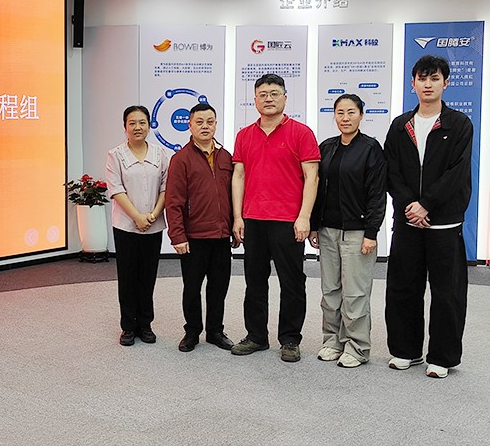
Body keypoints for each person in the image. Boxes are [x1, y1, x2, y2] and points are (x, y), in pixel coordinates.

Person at [384, 55, 473, 379]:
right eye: (422, 78)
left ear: (445, 83)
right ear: (413, 84)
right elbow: (391, 170)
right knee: (402, 288)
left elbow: (457, 173)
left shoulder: (459, 124)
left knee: (446, 292)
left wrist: (427, 204)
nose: (428, 84)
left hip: (444, 223)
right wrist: (411, 205)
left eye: (434, 78)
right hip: (408, 221)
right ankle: (405, 350)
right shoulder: (400, 125)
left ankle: (442, 356)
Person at [230, 74, 320, 363]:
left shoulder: (301, 133)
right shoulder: (244, 135)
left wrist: (304, 217)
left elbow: (312, 177)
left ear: (285, 98)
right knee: (254, 281)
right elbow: (238, 176)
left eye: (274, 93)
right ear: (255, 99)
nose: (268, 99)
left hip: (288, 220)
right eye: (263, 94)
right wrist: (237, 216)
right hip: (253, 219)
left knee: (292, 282)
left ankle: (290, 339)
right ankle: (256, 335)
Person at [308, 94, 387, 368]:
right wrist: (314, 225)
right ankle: (332, 341)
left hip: (358, 232)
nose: (345, 118)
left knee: (355, 293)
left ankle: (357, 346)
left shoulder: (371, 148)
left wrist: (371, 232)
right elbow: (316, 189)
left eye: (351, 112)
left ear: (361, 115)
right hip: (328, 230)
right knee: (330, 291)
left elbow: (377, 194)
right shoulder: (327, 147)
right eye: (340, 113)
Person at [164, 103, 237, 353]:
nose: (205, 126)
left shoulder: (226, 157)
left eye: (210, 121)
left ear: (216, 124)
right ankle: (192, 331)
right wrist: (177, 236)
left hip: (221, 236)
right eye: (199, 122)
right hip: (193, 237)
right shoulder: (181, 159)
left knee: (219, 287)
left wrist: (234, 226)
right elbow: (173, 202)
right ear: (190, 125)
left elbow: (233, 196)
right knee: (192, 288)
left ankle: (215, 331)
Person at [105, 105, 169, 346]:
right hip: (126, 227)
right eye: (132, 123)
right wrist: (137, 217)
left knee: (148, 276)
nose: (137, 127)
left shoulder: (160, 154)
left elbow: (166, 187)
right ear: (125, 127)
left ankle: (145, 324)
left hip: (153, 225)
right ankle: (128, 327)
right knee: (128, 277)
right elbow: (116, 189)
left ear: (149, 125)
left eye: (142, 122)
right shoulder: (115, 155)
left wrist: (153, 214)